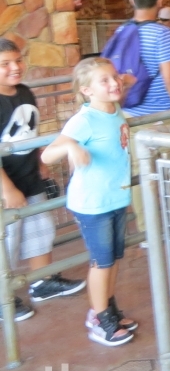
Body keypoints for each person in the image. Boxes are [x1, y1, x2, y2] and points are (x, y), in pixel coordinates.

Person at [42, 58, 136, 347]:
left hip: (115, 197)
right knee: (101, 262)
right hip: (92, 203)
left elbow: (122, 84)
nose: (114, 83)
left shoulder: (114, 109)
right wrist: (71, 146)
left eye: (114, 77)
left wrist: (122, 80)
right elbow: (47, 155)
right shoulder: (84, 120)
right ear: (86, 91)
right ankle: (99, 318)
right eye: (103, 81)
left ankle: (106, 308)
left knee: (114, 259)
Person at [0, 39, 85, 323]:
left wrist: (39, 163)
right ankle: (3, 296)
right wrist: (7, 187)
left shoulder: (24, 93)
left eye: (18, 60)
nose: (15, 67)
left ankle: (42, 281)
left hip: (29, 175)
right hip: (5, 184)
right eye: (5, 64)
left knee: (41, 229)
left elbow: (30, 132)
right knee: (6, 241)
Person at [120, 0, 170, 118]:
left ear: (132, 1)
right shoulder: (162, 33)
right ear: (160, 2)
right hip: (161, 115)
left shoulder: (121, 30)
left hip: (128, 113)